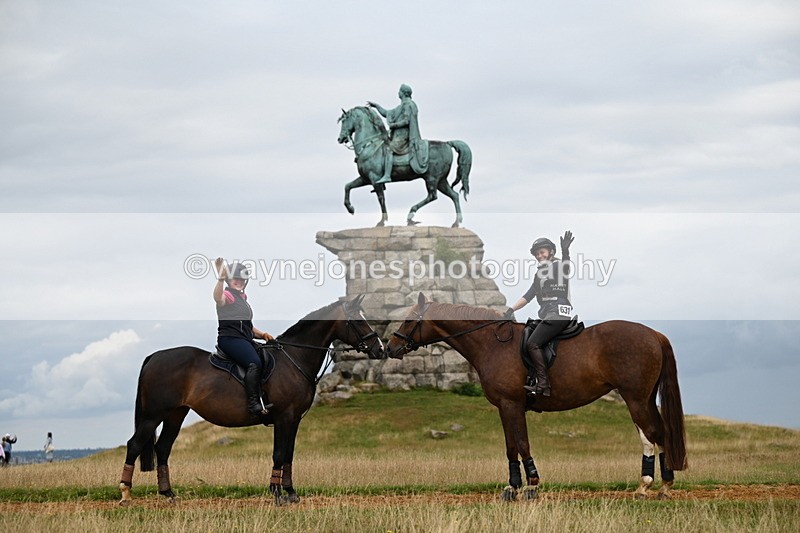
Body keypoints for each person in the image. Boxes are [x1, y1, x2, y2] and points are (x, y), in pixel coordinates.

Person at [507, 231, 575, 397]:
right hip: (547, 314)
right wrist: (510, 309)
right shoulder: (539, 275)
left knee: (532, 343)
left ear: (551, 252)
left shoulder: (559, 266)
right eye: (537, 254)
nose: (539, 256)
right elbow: (528, 296)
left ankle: (543, 385)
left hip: (557, 312)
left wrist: (565, 251)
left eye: (542, 252)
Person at [214, 258, 274, 416]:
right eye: (235, 278)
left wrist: (263, 335)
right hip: (230, 339)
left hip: (244, 339)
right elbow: (217, 298)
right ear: (228, 279)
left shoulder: (243, 299)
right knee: (254, 363)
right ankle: (253, 403)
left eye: (242, 279)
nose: (239, 281)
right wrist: (220, 279)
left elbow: (248, 327)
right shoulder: (228, 295)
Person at [366, 83, 429, 184]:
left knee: (389, 149)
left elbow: (407, 120)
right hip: (398, 135)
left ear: (403, 93)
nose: (398, 93)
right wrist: (376, 106)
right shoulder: (401, 106)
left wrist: (394, 125)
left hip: (404, 136)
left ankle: (387, 175)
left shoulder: (409, 104)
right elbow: (387, 113)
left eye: (399, 91)